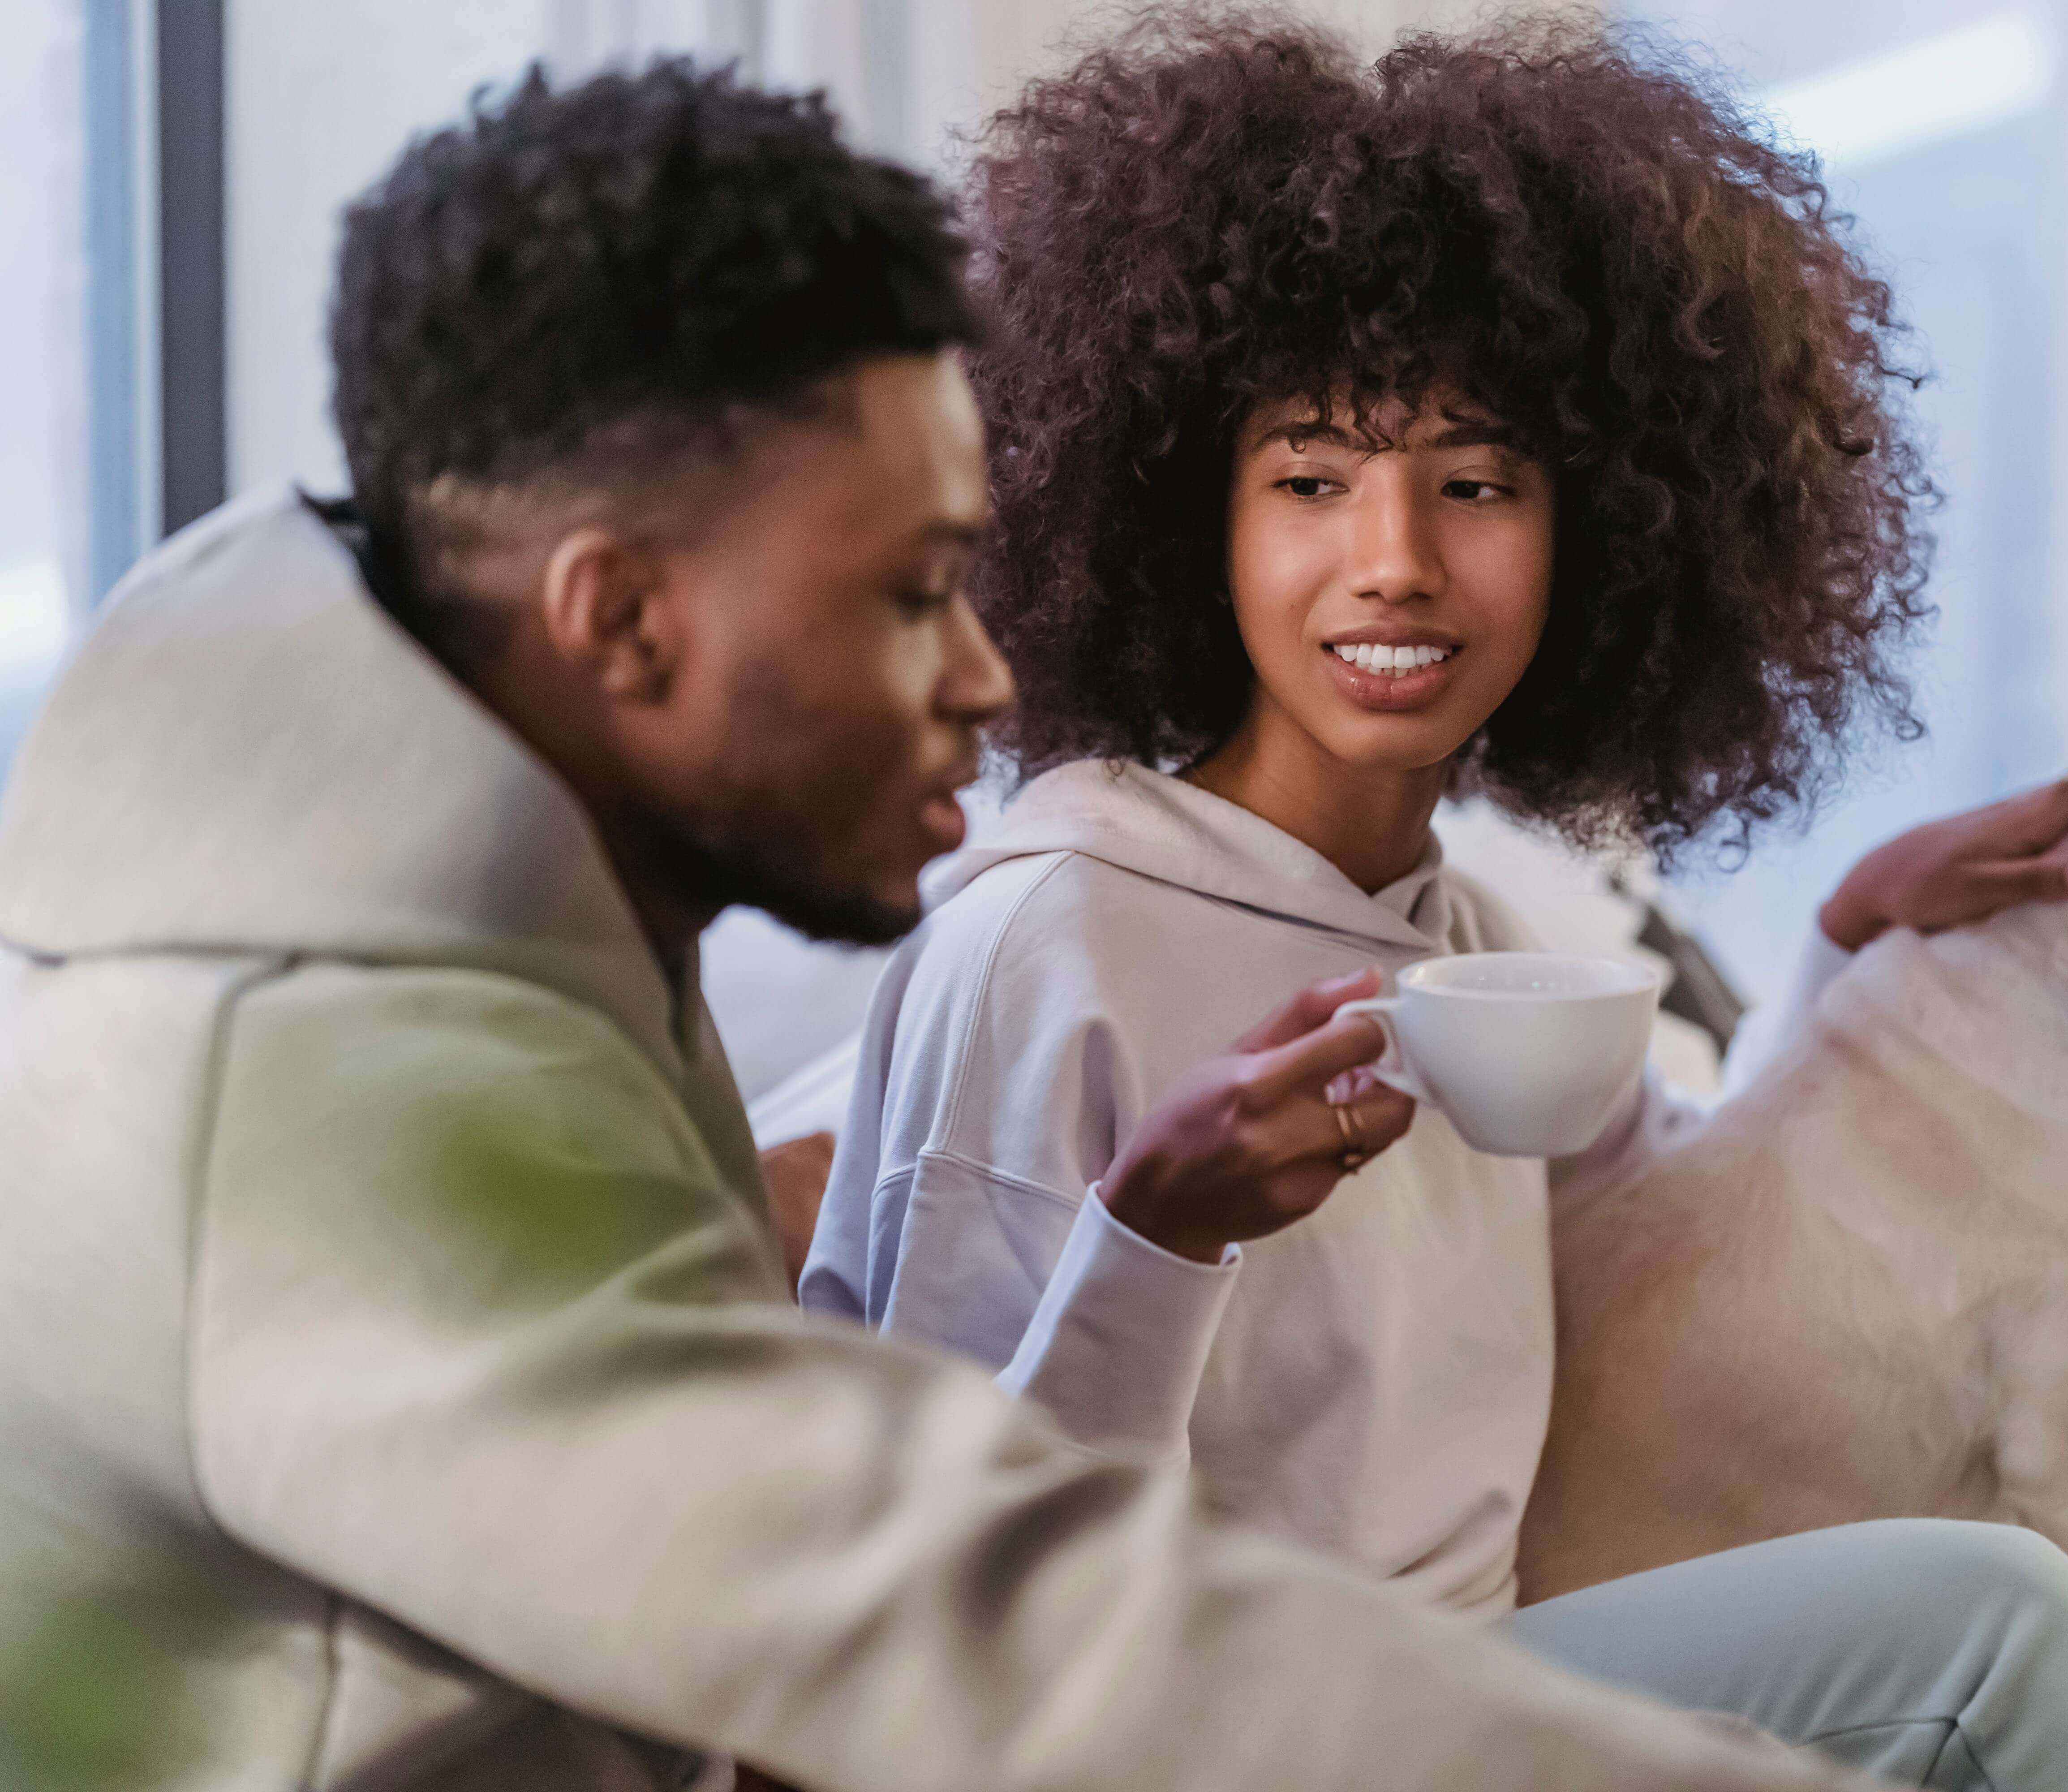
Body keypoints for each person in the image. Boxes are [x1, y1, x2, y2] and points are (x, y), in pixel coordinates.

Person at [0, 62, 1879, 1792]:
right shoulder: (321, 1111)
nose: (987, 679)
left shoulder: (494, 916)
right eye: (912, 595)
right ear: (622, 620)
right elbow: (976, 1640)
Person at [805, 15, 2068, 1790]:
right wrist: (1158, 1232)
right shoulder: (1053, 939)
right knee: (2001, 1623)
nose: (1395, 560)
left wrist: (1860, 934)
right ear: (1187, 521)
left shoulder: (1462, 938)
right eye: (1309, 481)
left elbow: (1690, 1235)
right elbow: (965, 1613)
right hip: (1208, 1732)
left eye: (1477, 484)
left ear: (1604, 534)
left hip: (1470, 1686)